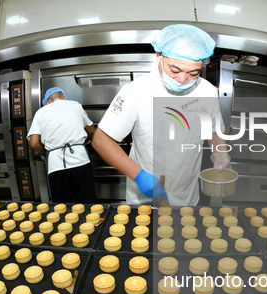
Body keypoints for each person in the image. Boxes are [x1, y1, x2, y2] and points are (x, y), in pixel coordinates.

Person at [92, 24, 231, 206]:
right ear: (159, 56)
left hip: (187, 197)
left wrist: (220, 154)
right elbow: (101, 140)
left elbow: (213, 130)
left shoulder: (208, 92)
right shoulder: (136, 91)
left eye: (193, 73)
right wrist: (139, 176)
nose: (182, 79)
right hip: (144, 200)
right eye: (174, 70)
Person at [28, 87, 97, 203]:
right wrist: (82, 144)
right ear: (63, 98)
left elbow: (34, 143)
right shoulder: (76, 105)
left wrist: (47, 153)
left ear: (47, 102)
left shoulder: (40, 112)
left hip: (56, 165)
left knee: (62, 207)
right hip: (80, 161)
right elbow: (91, 131)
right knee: (87, 203)